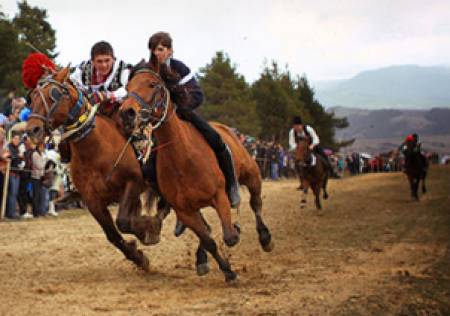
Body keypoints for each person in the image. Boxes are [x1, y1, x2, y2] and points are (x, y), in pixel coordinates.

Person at [147, 31, 240, 208]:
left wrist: (180, 109)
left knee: (216, 140)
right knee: (147, 166)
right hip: (157, 125)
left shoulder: (180, 68)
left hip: (185, 117)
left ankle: (232, 185)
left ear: (170, 50)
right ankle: (171, 201)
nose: (156, 53)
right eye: (153, 50)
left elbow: (197, 94)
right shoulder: (147, 71)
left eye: (160, 49)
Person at [71, 41, 132, 116]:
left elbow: (127, 89)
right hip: (86, 111)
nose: (104, 65)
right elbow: (72, 83)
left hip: (114, 113)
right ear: (92, 61)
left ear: (113, 59)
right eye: (99, 61)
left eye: (107, 60)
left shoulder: (123, 69)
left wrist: (106, 95)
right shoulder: (83, 69)